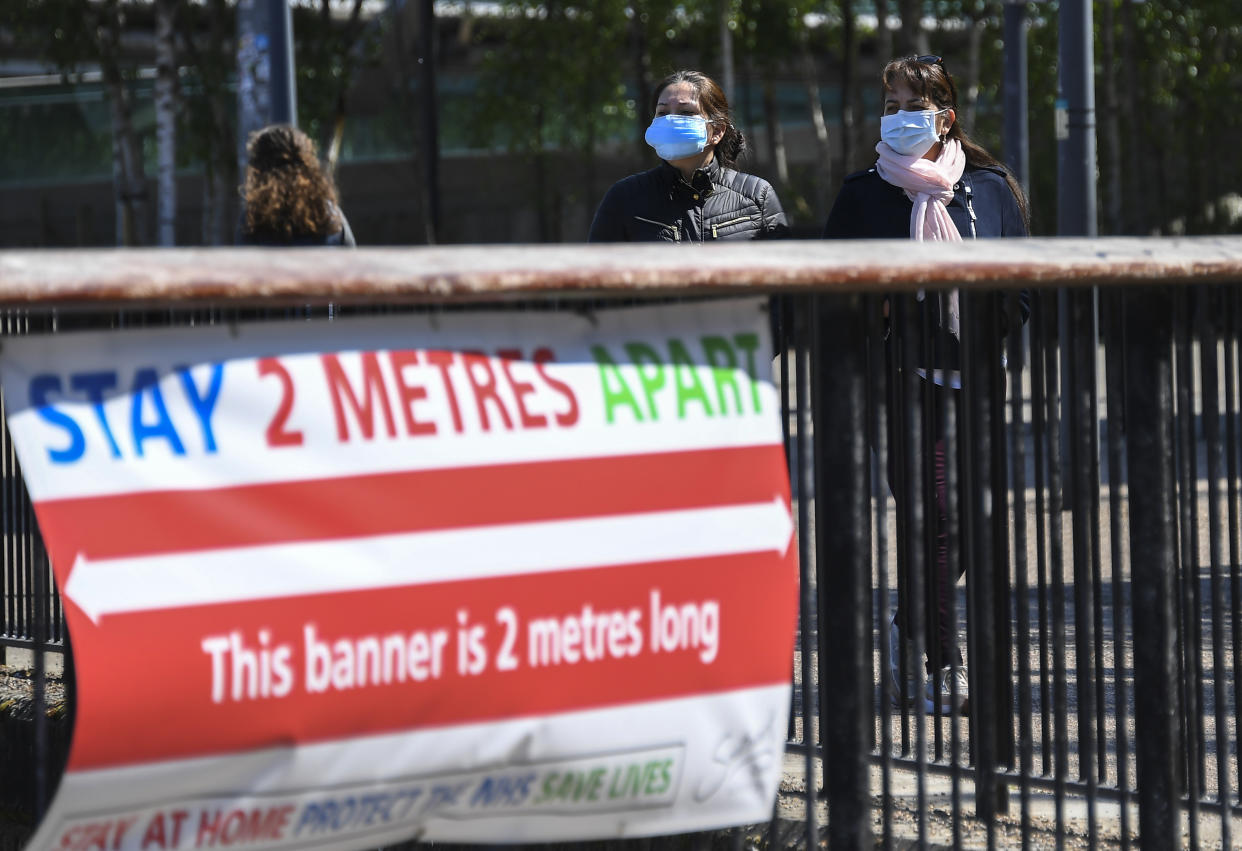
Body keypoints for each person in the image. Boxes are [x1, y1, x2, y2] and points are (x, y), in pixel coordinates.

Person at [822, 54, 1029, 715]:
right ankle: (944, 662)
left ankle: (909, 625)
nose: (897, 117)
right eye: (888, 105)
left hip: (980, 379)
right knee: (934, 517)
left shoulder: (993, 189)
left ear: (945, 115)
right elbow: (831, 293)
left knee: (974, 520)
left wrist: (991, 302)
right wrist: (876, 305)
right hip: (903, 379)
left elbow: (1025, 289)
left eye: (910, 104)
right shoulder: (864, 194)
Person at [588, 69, 788, 243]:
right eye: (663, 112)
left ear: (717, 131)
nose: (672, 121)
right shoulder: (625, 197)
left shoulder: (757, 196)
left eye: (685, 112)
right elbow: (596, 277)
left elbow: (785, 277)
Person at [236, 124, 356, 247]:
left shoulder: (253, 220)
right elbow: (351, 257)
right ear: (308, 163)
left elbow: (242, 262)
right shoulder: (331, 214)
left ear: (258, 169)